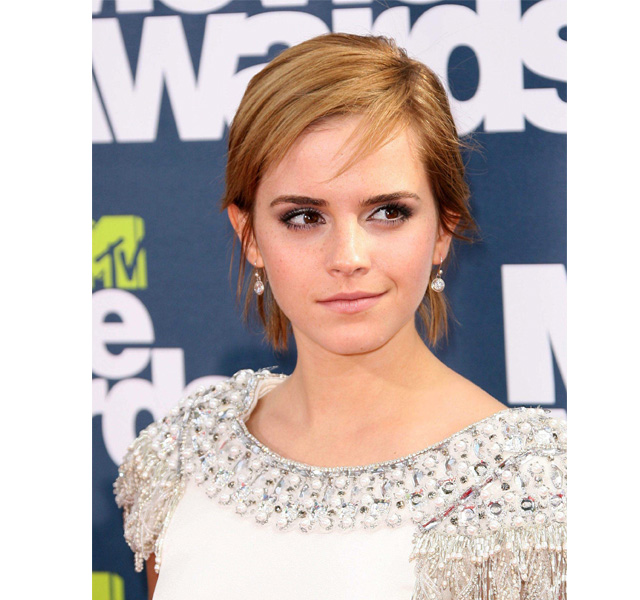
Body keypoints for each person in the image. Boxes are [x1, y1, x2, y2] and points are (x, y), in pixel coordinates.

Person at [114, 34, 567, 600]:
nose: (348, 258)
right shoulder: (185, 456)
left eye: (388, 212)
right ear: (249, 235)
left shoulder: (533, 490)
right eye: (304, 217)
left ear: (443, 229)